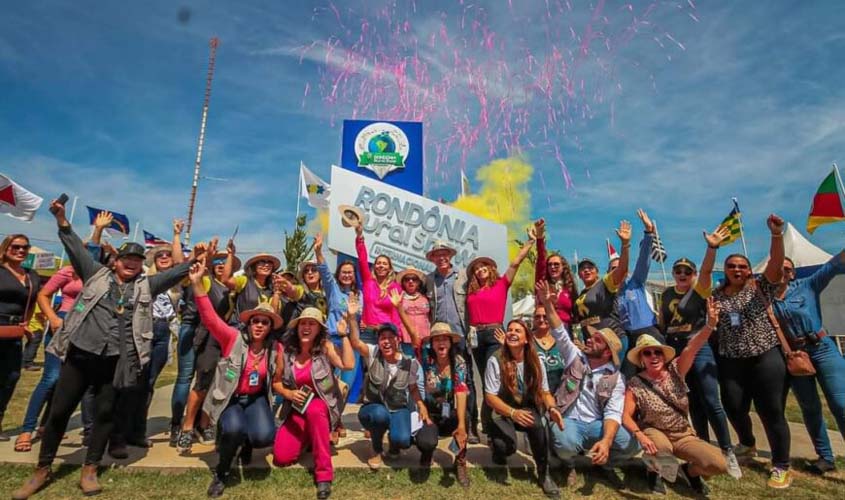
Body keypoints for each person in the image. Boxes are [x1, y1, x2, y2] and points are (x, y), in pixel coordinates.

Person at [12, 199, 200, 500]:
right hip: (80, 355)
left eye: (138, 260)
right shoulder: (95, 274)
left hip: (115, 361)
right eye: (127, 258)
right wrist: (62, 219)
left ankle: (90, 468)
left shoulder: (145, 286)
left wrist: (199, 259)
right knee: (60, 411)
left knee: (104, 414)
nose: (131, 262)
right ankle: (43, 468)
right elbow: (74, 246)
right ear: (116, 260)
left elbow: (174, 274)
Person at [187, 261, 279, 498]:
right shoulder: (232, 338)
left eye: (265, 322)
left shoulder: (273, 348)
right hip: (231, 398)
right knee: (234, 429)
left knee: (264, 436)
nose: (259, 325)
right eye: (255, 321)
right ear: (248, 323)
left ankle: (247, 444)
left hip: (256, 397)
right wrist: (197, 283)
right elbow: (210, 318)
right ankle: (222, 472)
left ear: (270, 327)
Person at [712, 214, 791, 489]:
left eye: (742, 266)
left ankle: (781, 465)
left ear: (748, 271)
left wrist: (776, 234)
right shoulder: (716, 296)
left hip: (765, 357)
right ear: (726, 270)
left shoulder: (760, 287)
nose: (737, 269)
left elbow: (776, 264)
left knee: (771, 412)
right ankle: (747, 444)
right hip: (732, 361)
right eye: (732, 265)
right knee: (734, 407)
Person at [535, 282, 638, 486]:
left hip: (596, 424)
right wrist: (548, 305)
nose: (590, 340)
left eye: (597, 340)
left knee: (629, 443)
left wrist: (607, 442)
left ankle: (604, 463)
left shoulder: (615, 378)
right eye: (592, 337)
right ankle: (569, 463)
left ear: (607, 352)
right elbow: (559, 332)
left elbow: (613, 413)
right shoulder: (575, 356)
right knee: (565, 444)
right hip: (569, 419)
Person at [623, 297, 728, 495]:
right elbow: (626, 416)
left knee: (719, 464)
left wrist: (710, 325)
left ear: (663, 356)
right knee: (661, 448)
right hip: (655, 431)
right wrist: (640, 435)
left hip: (683, 433)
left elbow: (692, 347)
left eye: (657, 352)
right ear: (641, 359)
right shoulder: (635, 383)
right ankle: (652, 471)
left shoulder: (676, 370)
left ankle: (689, 472)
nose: (653, 356)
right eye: (647, 353)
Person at [658, 227, 741, 478]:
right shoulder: (666, 294)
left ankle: (727, 451)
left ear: (693, 275)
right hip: (675, 348)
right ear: (673, 274)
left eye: (687, 271)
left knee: (711, 399)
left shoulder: (700, 290)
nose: (682, 274)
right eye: (678, 271)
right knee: (690, 400)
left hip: (698, 345)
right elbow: (663, 323)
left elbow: (707, 271)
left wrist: (712, 247)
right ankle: (703, 448)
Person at [113, 219, 186, 455]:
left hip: (164, 331)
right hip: (144, 328)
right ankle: (119, 432)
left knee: (149, 383)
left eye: (168, 255)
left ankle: (137, 430)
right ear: (153, 260)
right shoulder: (143, 277)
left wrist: (177, 236)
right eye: (160, 255)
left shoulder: (175, 285)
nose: (165, 257)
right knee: (131, 381)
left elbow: (181, 264)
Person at [772, 253, 845, 474]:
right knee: (810, 407)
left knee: (840, 403)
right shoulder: (766, 301)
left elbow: (833, 265)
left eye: (787, 269)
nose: (783, 272)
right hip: (795, 355)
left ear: (792, 273)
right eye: (778, 267)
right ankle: (825, 457)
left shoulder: (808, 285)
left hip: (822, 347)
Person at [272, 306, 354, 500]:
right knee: (282, 457)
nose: (306, 327)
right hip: (297, 408)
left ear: (319, 329)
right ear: (297, 327)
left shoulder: (325, 348)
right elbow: (276, 383)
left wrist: (344, 336)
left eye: (312, 324)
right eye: (303, 323)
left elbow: (348, 365)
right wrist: (289, 393)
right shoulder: (286, 352)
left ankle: (324, 475)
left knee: (315, 411)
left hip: (321, 406)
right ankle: (314, 436)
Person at [484, 316, 562, 499]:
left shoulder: (535, 361)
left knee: (538, 427)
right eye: (509, 330)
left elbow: (544, 392)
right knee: (507, 447)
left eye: (517, 330)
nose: (511, 333)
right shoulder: (495, 360)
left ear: (526, 338)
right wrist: (512, 412)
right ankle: (497, 448)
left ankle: (544, 474)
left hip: (526, 407)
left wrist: (552, 408)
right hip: (503, 410)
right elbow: (490, 397)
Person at [175, 243, 240, 453]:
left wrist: (230, 255)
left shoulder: (235, 289)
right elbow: (195, 277)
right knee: (202, 381)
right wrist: (206, 258)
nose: (222, 266)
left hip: (230, 340)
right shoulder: (207, 282)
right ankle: (186, 427)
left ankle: (205, 425)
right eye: (218, 263)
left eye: (226, 263)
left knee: (219, 383)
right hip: (211, 337)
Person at [467, 235, 534, 434]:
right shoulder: (471, 291)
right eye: (477, 268)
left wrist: (529, 242)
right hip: (476, 336)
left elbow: (515, 263)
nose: (480, 270)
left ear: (490, 269)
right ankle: (488, 425)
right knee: (483, 379)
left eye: (483, 266)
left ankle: (493, 425)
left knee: (494, 379)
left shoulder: (501, 284)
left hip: (495, 334)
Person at [15, 265, 82, 453]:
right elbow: (43, 295)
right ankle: (27, 430)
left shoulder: (98, 273)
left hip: (84, 327)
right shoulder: (68, 271)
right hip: (62, 322)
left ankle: (46, 425)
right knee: (51, 377)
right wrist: (52, 318)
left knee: (64, 381)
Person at [351, 318, 426, 470]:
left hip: (397, 406)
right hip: (374, 407)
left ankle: (394, 445)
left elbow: (412, 388)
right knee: (379, 415)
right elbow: (356, 343)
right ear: (378, 341)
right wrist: (352, 318)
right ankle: (376, 448)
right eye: (382, 338)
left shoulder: (408, 362)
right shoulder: (373, 353)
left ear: (398, 340)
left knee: (404, 440)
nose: (386, 341)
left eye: (390, 337)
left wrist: (421, 405)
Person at [423, 241, 480, 443]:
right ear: (433, 258)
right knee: (435, 379)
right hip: (439, 336)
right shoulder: (428, 280)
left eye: (444, 254)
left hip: (460, 336)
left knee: (467, 382)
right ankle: (437, 419)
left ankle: (471, 425)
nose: (441, 258)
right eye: (437, 254)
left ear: (450, 256)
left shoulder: (463, 276)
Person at [313, 232, 361, 438]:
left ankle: (337, 418)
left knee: (345, 385)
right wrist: (318, 252)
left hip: (351, 342)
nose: (347, 275)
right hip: (331, 341)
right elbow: (323, 271)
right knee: (328, 382)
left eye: (350, 272)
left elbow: (360, 319)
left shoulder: (360, 296)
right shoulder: (333, 289)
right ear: (339, 274)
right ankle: (329, 423)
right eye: (344, 272)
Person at [414, 322, 470, 487]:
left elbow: (460, 391)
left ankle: (460, 462)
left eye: (445, 339)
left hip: (450, 412)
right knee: (425, 441)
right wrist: (421, 406)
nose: (441, 343)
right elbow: (414, 338)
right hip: (431, 413)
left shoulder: (458, 362)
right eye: (437, 339)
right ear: (431, 344)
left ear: (451, 342)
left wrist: (460, 425)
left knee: (464, 418)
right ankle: (426, 454)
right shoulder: (425, 359)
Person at [611, 209, 664, 372]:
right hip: (627, 337)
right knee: (629, 376)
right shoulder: (609, 294)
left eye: (620, 267)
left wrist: (649, 233)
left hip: (649, 332)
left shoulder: (635, 282)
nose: (617, 270)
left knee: (660, 374)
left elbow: (643, 260)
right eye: (613, 268)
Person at [0, 234, 41, 441]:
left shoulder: (31, 275)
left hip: (14, 330)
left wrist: (26, 322)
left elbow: (32, 302)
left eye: (25, 247)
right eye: (16, 246)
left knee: (11, 377)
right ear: (6, 248)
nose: (21, 250)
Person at [574, 220, 632, 343]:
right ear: (579, 275)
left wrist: (625, 245)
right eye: (583, 268)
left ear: (597, 272)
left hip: (614, 341)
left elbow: (622, 270)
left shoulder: (605, 284)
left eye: (590, 268)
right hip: (594, 347)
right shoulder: (580, 296)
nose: (587, 270)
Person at [352, 222, 402, 345]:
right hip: (368, 331)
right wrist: (359, 236)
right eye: (378, 263)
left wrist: (397, 333)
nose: (381, 266)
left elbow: (396, 313)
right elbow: (362, 258)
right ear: (374, 267)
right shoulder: (368, 282)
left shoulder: (395, 288)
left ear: (390, 269)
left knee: (386, 364)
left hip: (387, 333)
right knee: (367, 364)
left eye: (385, 264)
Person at [534, 219, 578, 332]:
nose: (552, 267)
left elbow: (576, 313)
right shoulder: (542, 284)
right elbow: (541, 259)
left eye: (556, 264)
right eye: (550, 265)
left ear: (563, 267)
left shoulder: (569, 287)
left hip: (566, 330)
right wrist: (539, 237)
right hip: (546, 330)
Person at [222, 241, 282, 320]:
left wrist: (277, 293)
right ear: (254, 266)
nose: (266, 265)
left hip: (263, 330)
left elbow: (274, 315)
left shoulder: (272, 289)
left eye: (269, 262)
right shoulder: (244, 281)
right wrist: (230, 254)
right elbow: (226, 280)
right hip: (241, 329)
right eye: (262, 262)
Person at [395, 266, 430, 356]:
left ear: (418, 282)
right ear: (403, 283)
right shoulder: (398, 298)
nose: (410, 281)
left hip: (425, 340)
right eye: (407, 279)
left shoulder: (426, 298)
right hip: (406, 340)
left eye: (414, 279)